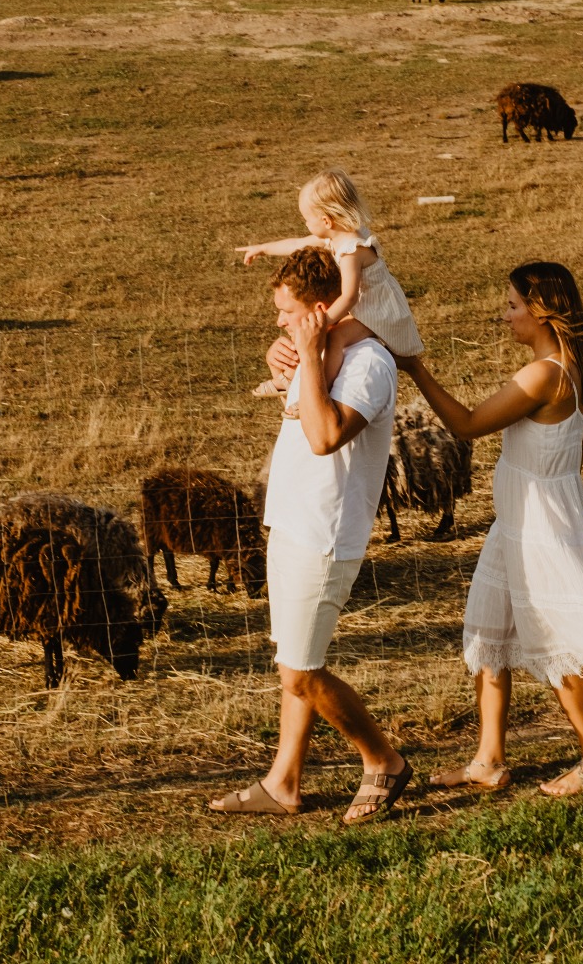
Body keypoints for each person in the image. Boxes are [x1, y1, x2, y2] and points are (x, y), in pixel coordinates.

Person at [394, 261, 583, 797]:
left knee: (556, 642)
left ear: (542, 311)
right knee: (489, 633)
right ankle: (489, 759)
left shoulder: (544, 374)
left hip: (539, 531)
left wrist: (416, 369)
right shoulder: (566, 365)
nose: (504, 316)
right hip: (519, 522)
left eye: (511, 306)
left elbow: (466, 425)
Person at [209, 247, 415, 823]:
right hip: (292, 520)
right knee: (294, 656)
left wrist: (303, 353)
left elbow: (325, 438)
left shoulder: (369, 363)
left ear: (320, 309)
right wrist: (290, 364)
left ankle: (383, 760)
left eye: (286, 311)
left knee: (300, 672)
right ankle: (285, 782)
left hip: (325, 533)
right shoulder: (322, 351)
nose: (277, 321)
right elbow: (296, 409)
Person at [238, 168, 422, 399]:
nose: (305, 224)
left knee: (335, 337)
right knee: (326, 333)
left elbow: (349, 297)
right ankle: (294, 381)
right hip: (365, 308)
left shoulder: (351, 250)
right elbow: (298, 243)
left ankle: (319, 391)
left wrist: (323, 323)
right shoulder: (337, 236)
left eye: (306, 219)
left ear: (326, 220)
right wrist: (263, 248)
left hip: (376, 313)